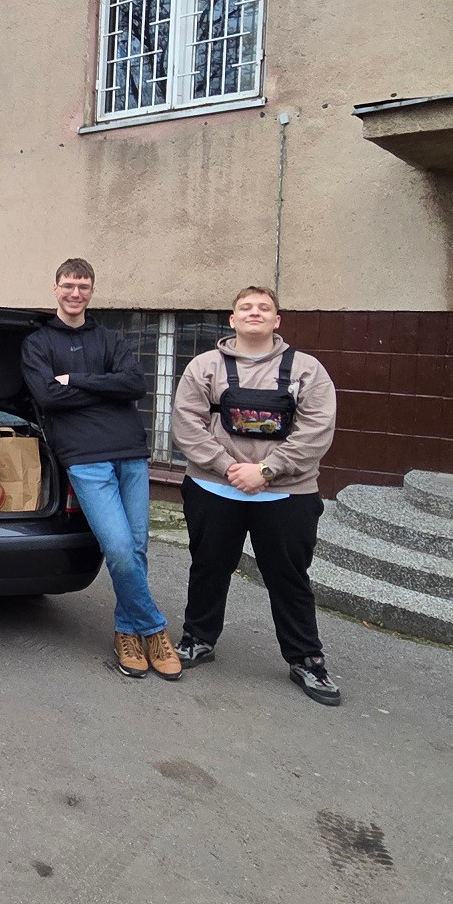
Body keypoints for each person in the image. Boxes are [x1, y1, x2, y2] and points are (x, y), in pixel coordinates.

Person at [171, 286, 341, 705]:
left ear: (276, 320)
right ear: (231, 319)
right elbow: (187, 424)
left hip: (287, 495)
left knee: (289, 578)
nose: (254, 313)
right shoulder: (204, 366)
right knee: (209, 567)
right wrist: (228, 468)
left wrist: (266, 470)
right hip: (214, 488)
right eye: (245, 307)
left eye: (264, 308)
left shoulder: (308, 370)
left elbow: (316, 431)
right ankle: (198, 638)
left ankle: (306, 659)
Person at [20, 258, 183, 680]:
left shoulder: (111, 338)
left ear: (92, 291)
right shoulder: (38, 343)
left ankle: (127, 631)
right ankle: (154, 628)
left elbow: (135, 385)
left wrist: (75, 380)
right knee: (119, 548)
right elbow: (47, 397)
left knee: (138, 548)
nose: (75, 293)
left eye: (84, 286)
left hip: (130, 453)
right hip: (84, 457)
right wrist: (106, 386)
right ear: (55, 288)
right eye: (68, 285)